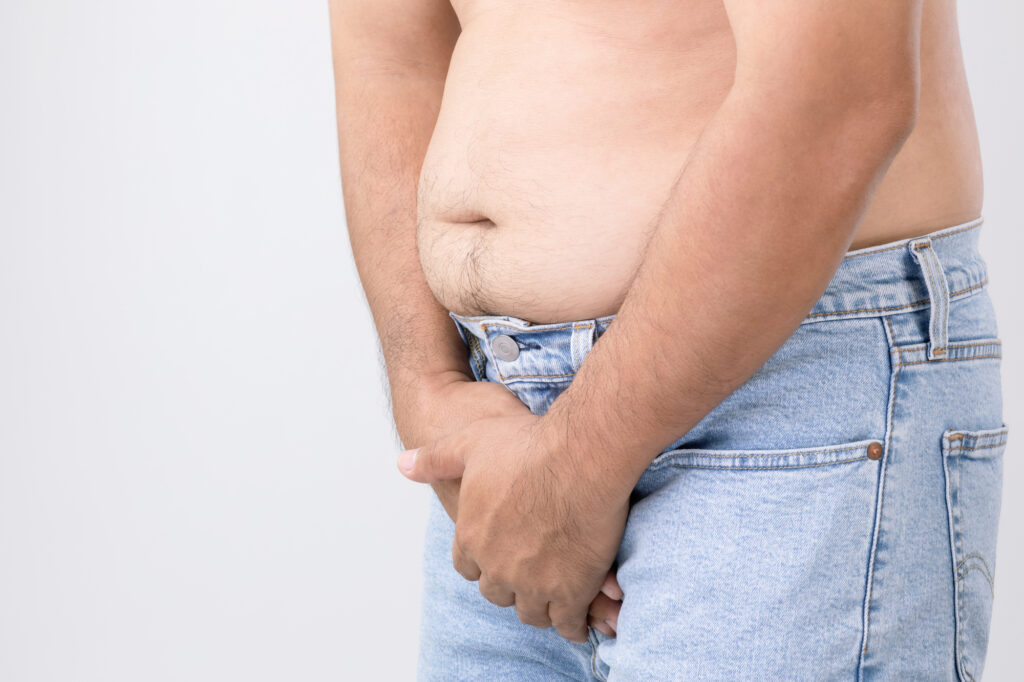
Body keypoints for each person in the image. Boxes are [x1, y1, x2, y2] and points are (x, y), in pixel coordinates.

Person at [329, 0, 1006, 678]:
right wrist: (428, 390)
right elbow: (389, 60)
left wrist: (574, 467)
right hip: (495, 431)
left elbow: (841, 88)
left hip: (780, 388)